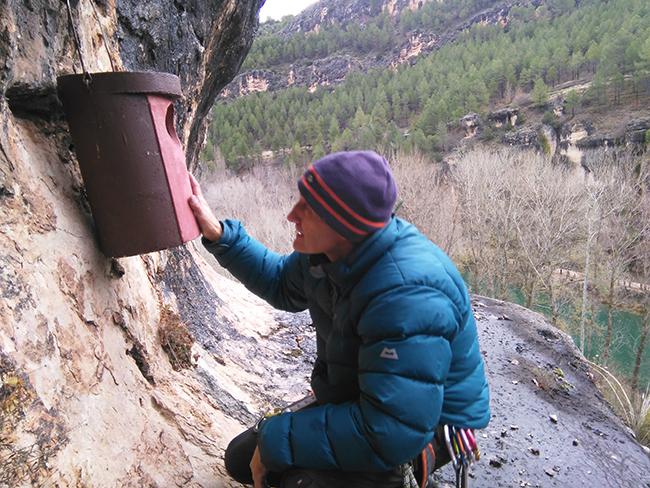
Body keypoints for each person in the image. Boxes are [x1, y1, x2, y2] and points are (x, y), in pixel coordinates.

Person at [188, 150, 490, 488]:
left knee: (296, 481)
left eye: (308, 208)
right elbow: (280, 283)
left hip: (425, 424)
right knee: (242, 458)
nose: (292, 215)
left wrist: (276, 438)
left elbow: (391, 431)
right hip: (368, 396)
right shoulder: (329, 253)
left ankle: (405, 476)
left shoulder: (407, 295)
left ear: (345, 224)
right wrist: (219, 235)